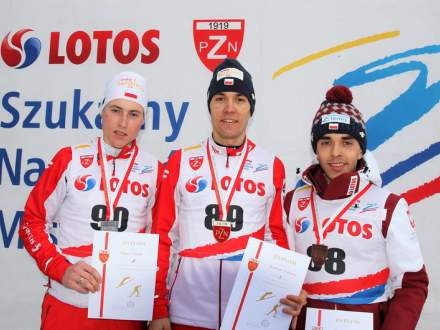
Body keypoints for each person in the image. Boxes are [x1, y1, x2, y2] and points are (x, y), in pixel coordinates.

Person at [149, 58, 306, 330]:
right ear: (209, 105)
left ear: (250, 108)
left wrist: (290, 290)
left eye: (240, 99)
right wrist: (157, 305)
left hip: (250, 314)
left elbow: (276, 237)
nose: (229, 108)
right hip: (186, 313)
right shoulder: (181, 161)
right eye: (220, 98)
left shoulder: (271, 165)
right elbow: (163, 237)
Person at [19, 71, 163, 330]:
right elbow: (32, 222)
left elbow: (163, 242)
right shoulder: (70, 159)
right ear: (101, 112)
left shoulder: (155, 170)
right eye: (115, 110)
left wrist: (157, 304)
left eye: (133, 114)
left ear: (143, 120)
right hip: (67, 306)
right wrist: (61, 269)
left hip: (125, 311)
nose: (122, 122)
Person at [284, 85, 429, 330]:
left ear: (361, 149)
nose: (335, 153)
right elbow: (275, 276)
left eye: (347, 142)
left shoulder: (388, 205)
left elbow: (412, 284)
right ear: (315, 149)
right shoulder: (291, 202)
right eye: (326, 142)